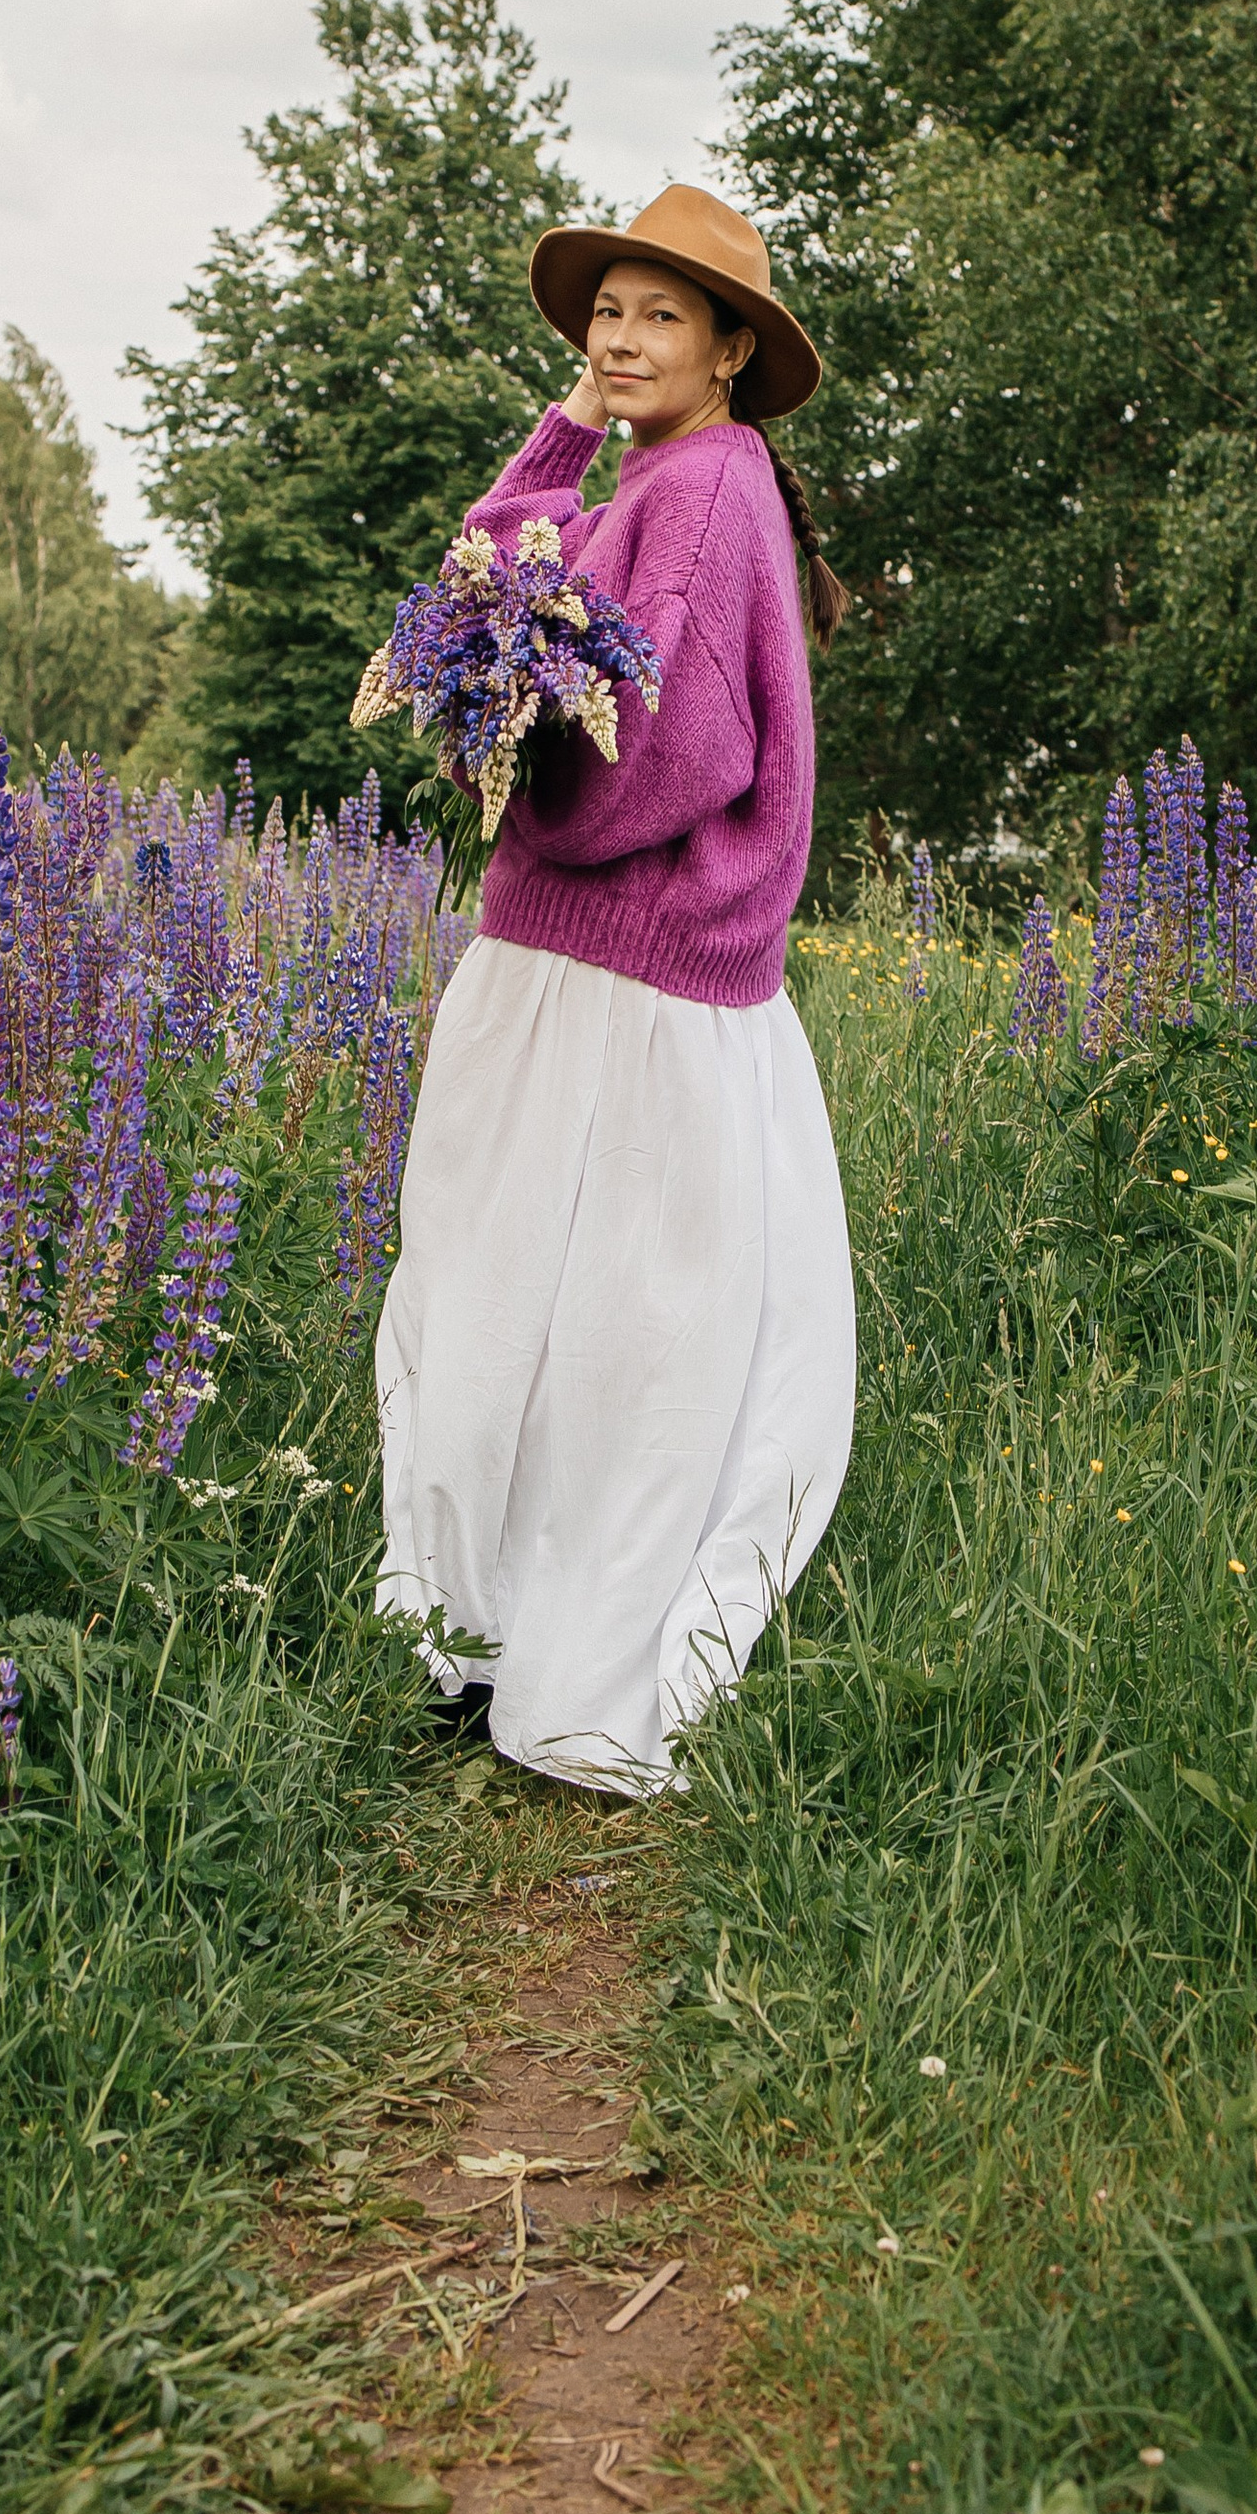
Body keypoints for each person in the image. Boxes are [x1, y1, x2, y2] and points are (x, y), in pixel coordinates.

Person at [375, 183, 857, 1794]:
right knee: (548, 1309)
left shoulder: (711, 492)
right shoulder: (663, 473)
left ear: (732, 348)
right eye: (605, 313)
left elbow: (660, 746)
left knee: (580, 1320)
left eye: (660, 315)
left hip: (627, 975)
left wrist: (521, 781)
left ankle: (542, 1642)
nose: (621, 336)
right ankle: (493, 1624)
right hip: (595, 965)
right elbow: (483, 573)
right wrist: (568, 428)